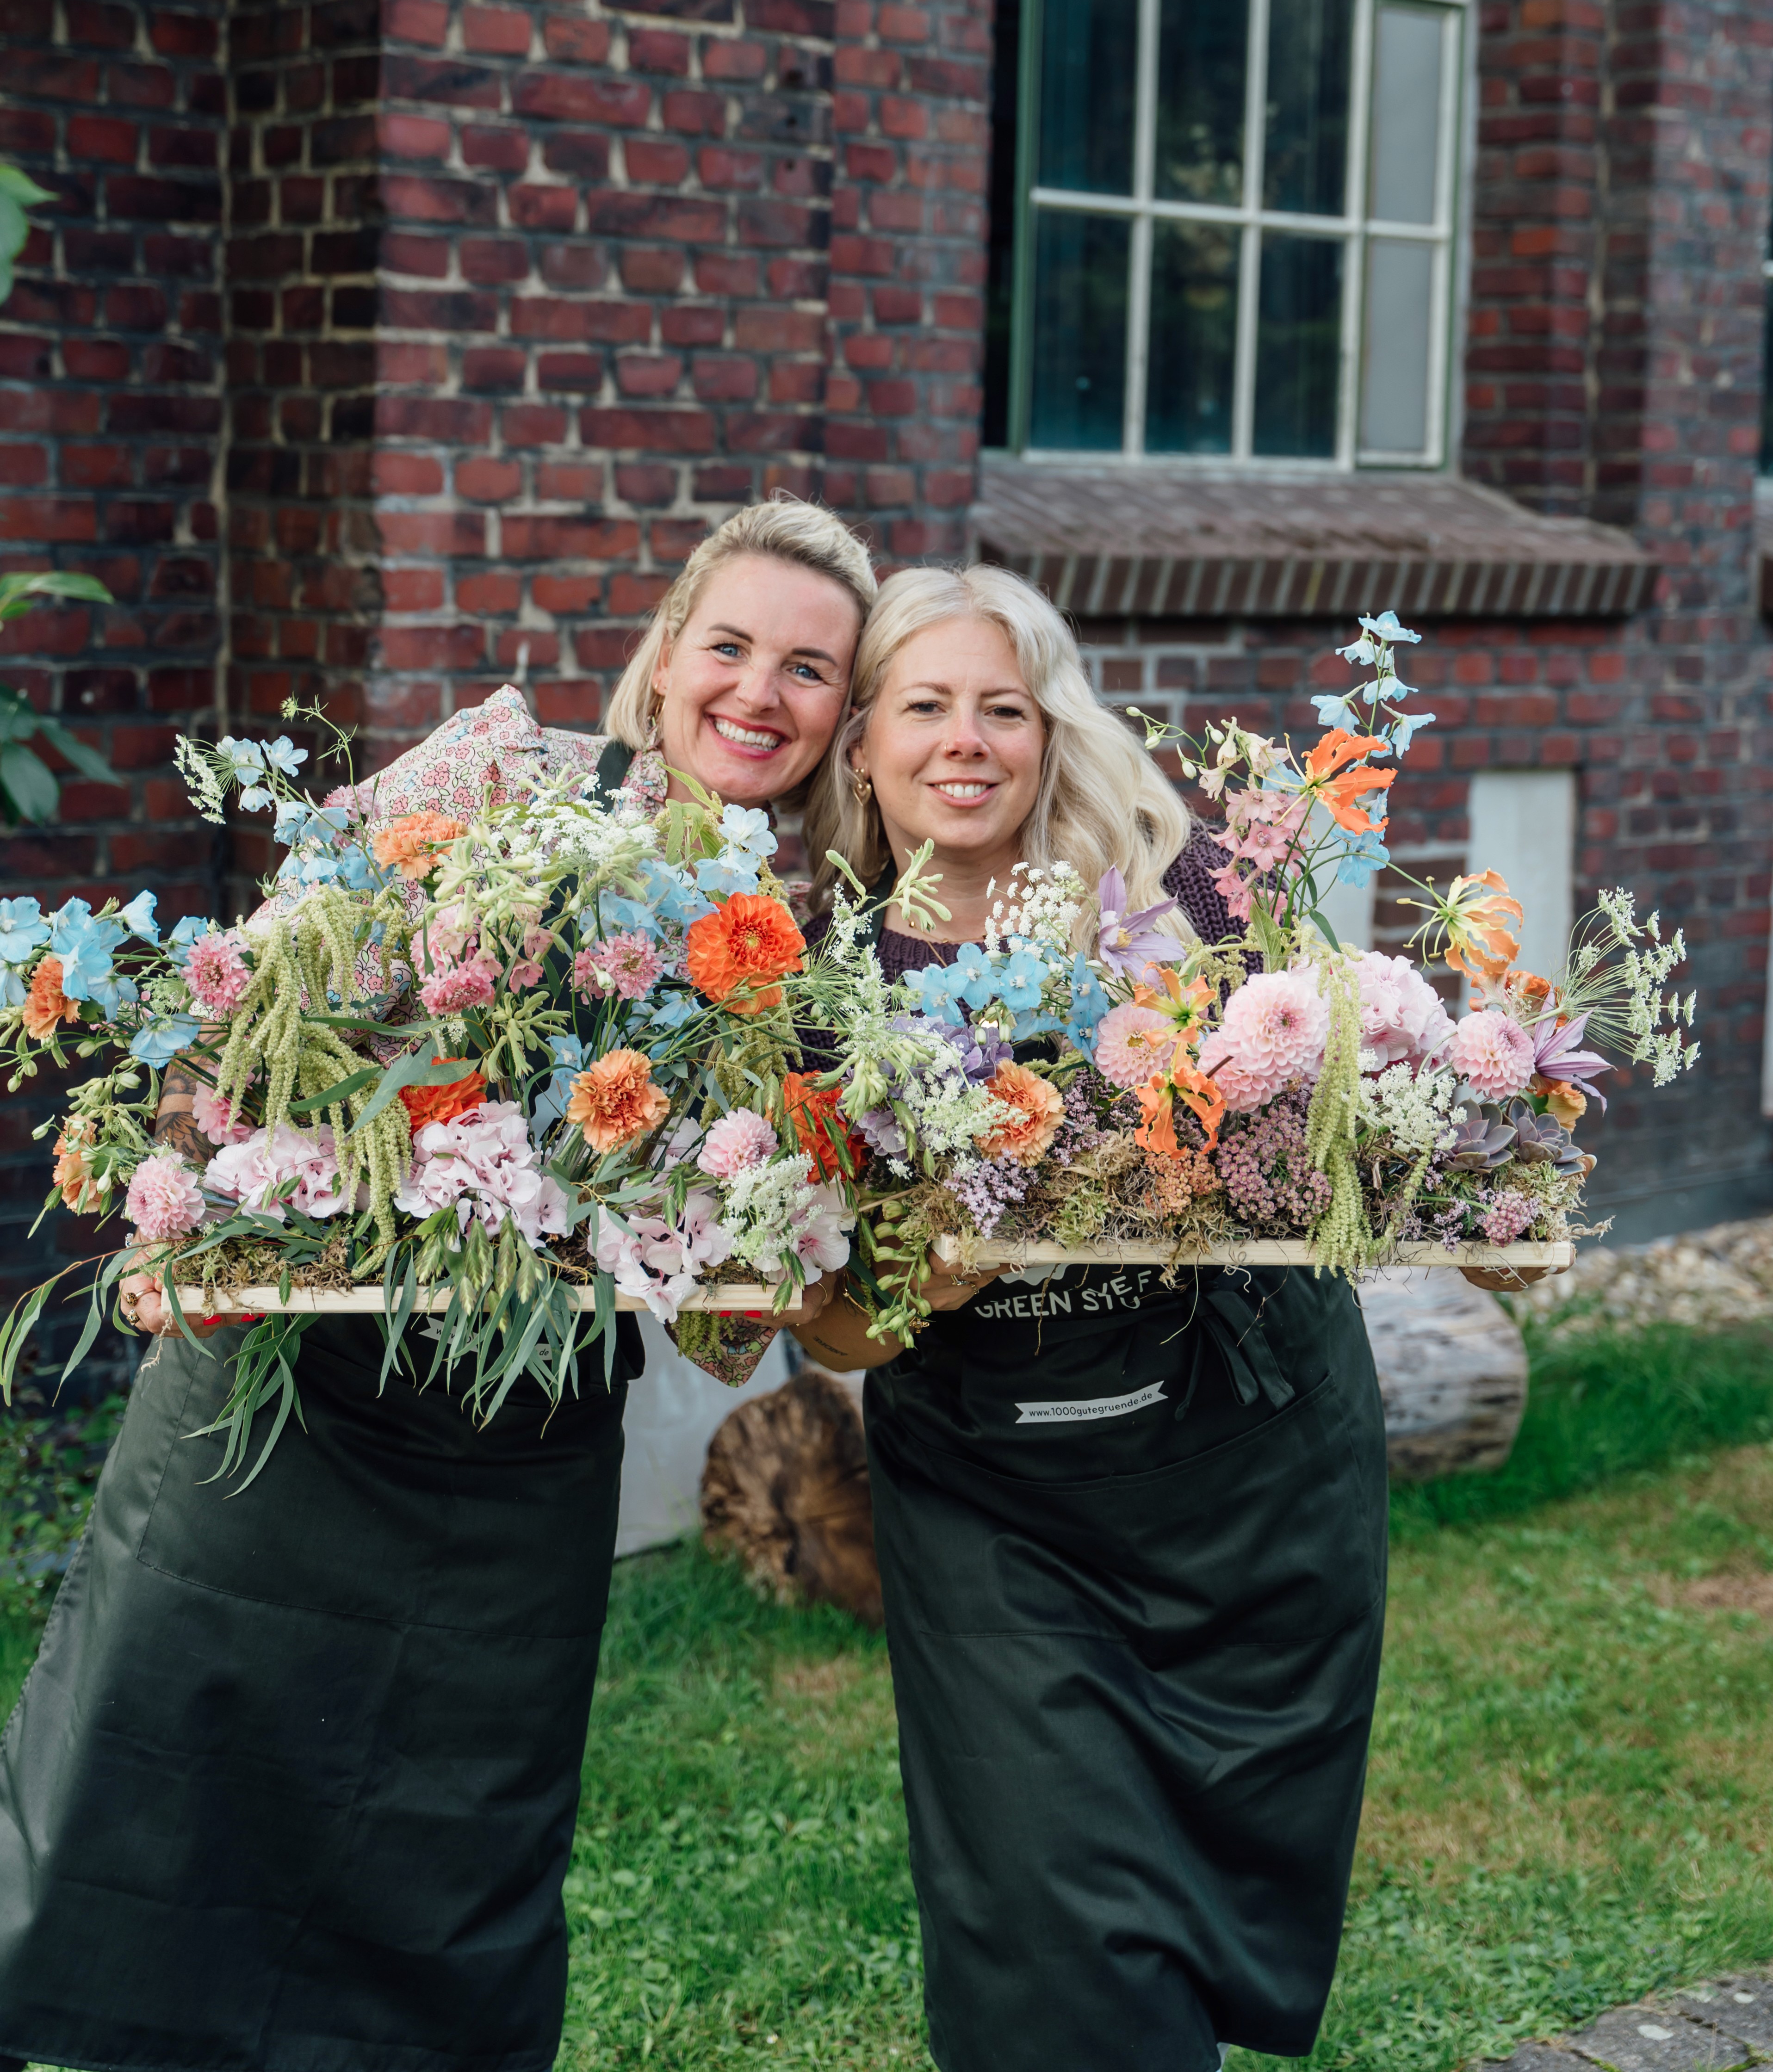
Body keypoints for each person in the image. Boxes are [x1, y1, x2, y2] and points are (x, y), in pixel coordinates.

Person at [0, 496, 874, 2072]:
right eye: (731, 644)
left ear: (842, 713)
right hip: (292, 1397)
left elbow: (725, 1309)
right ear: (667, 648)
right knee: (168, 1804)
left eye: (808, 669)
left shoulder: (803, 952)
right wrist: (179, 1215)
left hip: (517, 1450)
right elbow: (255, 991)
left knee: (448, 1860)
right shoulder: (501, 766)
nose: (760, 691)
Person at [797, 564, 1390, 2072]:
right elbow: (822, 1329)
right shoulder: (815, 974)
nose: (966, 740)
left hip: (1243, 1470)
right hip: (996, 1502)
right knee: (1046, 1924)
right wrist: (924, 1282)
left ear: (1054, 729)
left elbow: (1350, 1122)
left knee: (1221, 1882)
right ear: (863, 740)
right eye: (926, 706)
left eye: (1004, 707)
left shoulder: (1184, 899)